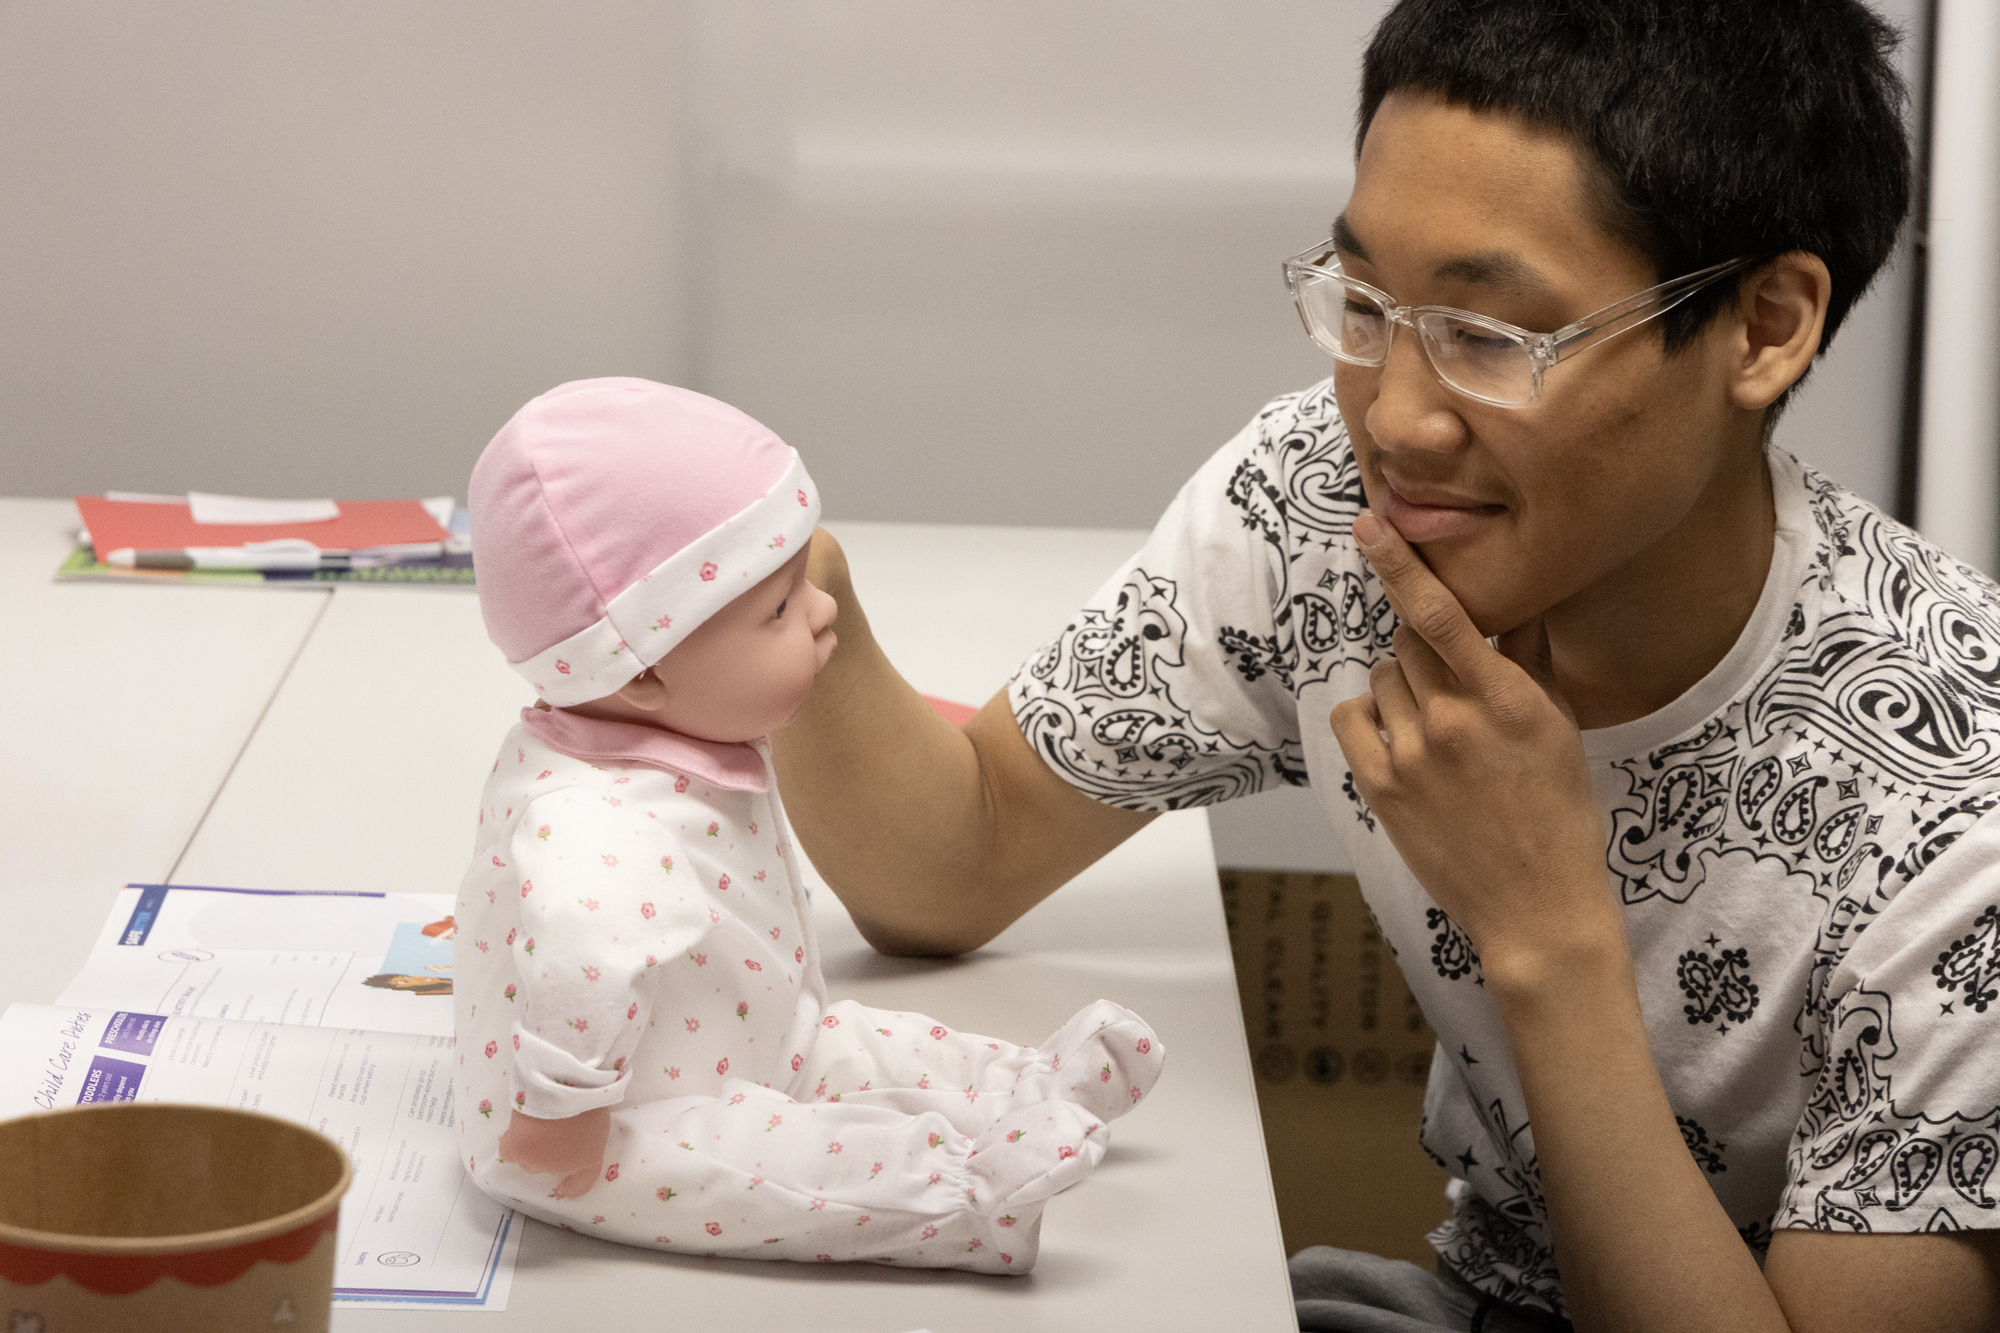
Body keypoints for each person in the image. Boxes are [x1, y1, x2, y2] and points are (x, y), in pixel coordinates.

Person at [771, 1, 2000, 1328]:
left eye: (1489, 338)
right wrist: (792, 592)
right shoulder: (1320, 512)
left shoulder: (1955, 796)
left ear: (1764, 327)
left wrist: (1543, 926)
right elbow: (960, 853)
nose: (1395, 419)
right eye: (1365, 304)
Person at [449, 377, 1162, 1273]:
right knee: (769, 1164)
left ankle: (1030, 1086)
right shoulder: (596, 821)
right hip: (632, 1115)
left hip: (752, 1039)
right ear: (637, 672)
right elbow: (582, 950)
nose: (824, 609)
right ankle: (966, 1193)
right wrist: (560, 1117)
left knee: (860, 1044)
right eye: (780, 607)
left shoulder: (673, 733)